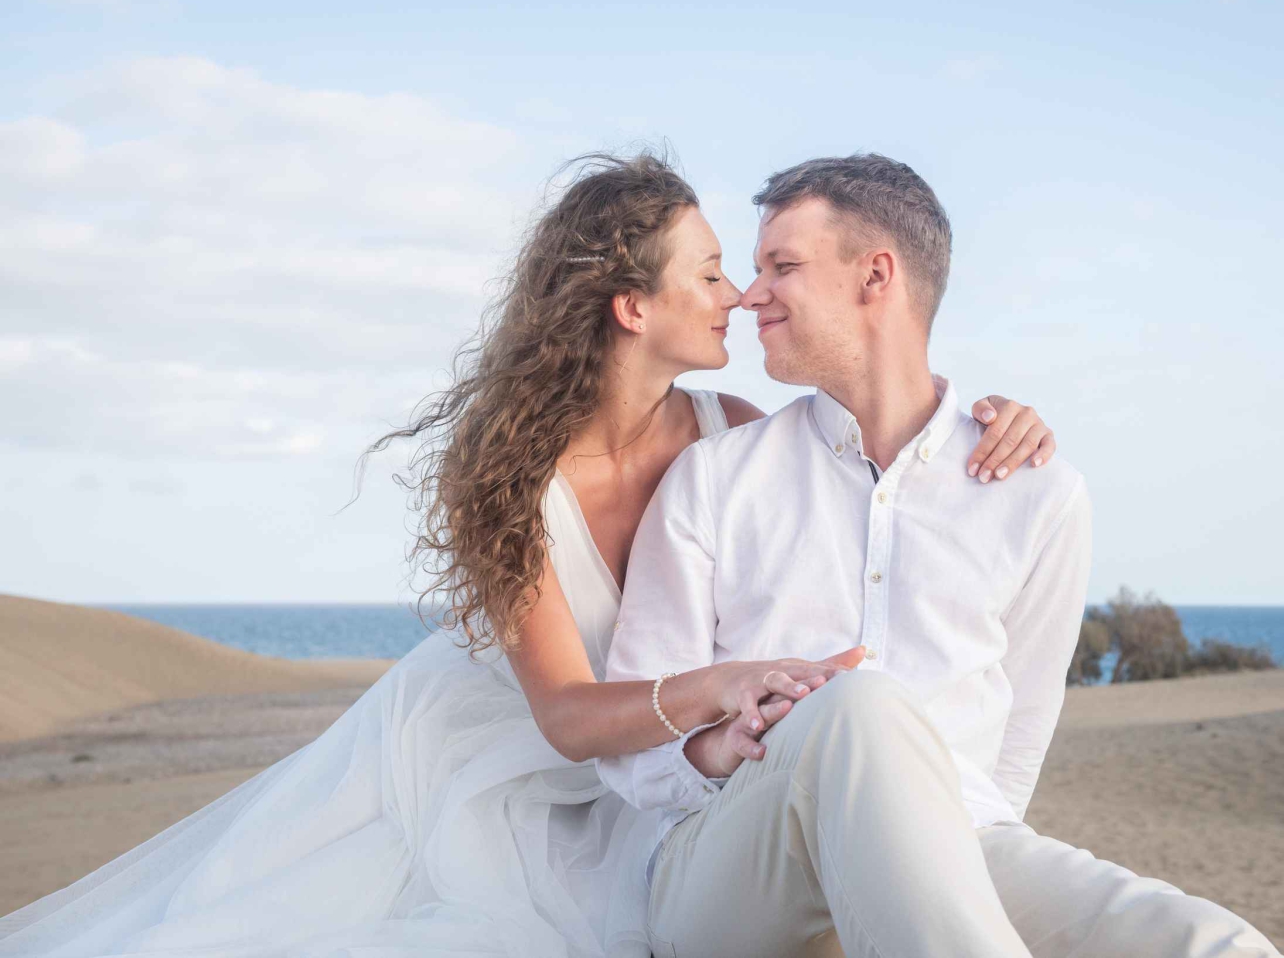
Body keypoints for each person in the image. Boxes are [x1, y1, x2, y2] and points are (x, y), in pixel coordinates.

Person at [0, 152, 1058, 957]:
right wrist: (725, 684)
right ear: (632, 306)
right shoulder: (505, 478)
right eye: (713, 271)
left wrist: (996, 422)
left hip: (681, 773)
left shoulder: (731, 426)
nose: (738, 293)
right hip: (513, 773)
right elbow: (563, 715)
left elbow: (874, 425)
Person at [598, 153, 1284, 957]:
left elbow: (1020, 735)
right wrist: (730, 741)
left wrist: (910, 876)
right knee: (860, 705)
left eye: (781, 266)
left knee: (1205, 940)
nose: (751, 293)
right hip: (725, 862)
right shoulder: (715, 478)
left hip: (960, 838)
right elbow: (634, 746)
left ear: (876, 276)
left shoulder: (1038, 491)